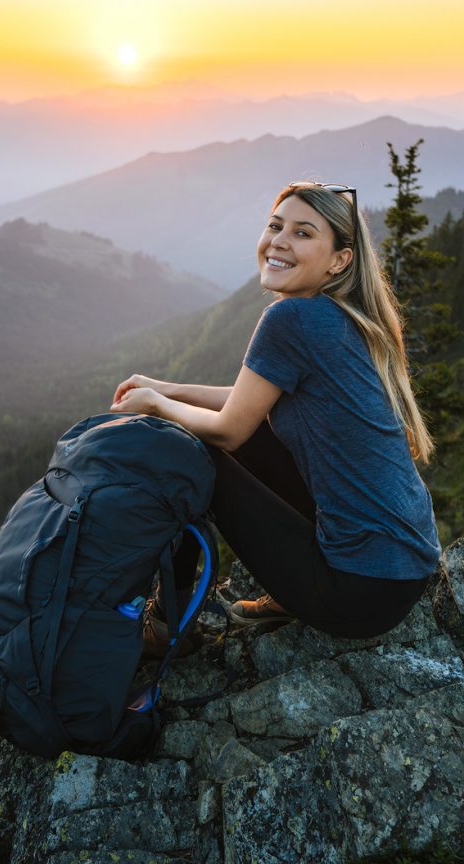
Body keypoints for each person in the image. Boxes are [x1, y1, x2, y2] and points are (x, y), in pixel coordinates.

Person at [109, 179, 440, 652]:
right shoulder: (343, 314)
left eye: (304, 233)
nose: (280, 241)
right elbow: (252, 399)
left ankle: (168, 627)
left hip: (358, 592)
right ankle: (291, 589)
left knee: (181, 448)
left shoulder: (291, 319)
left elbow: (228, 429)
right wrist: (165, 387)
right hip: (403, 574)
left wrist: (159, 408)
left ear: (339, 260)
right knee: (247, 433)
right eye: (275, 225)